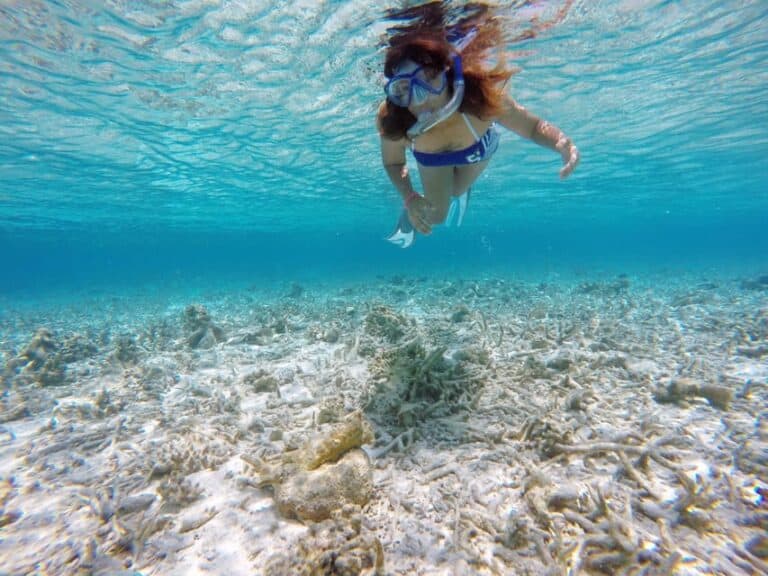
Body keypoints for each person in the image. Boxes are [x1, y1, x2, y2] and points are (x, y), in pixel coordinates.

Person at [379, 1, 579, 248]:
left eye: (429, 80)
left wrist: (560, 141)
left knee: (457, 189)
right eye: (404, 90)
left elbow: (531, 127)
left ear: (448, 74)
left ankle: (461, 191)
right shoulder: (397, 119)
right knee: (437, 216)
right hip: (433, 156)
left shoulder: (479, 100)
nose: (421, 100)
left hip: (477, 144)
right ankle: (427, 206)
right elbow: (393, 162)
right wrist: (409, 197)